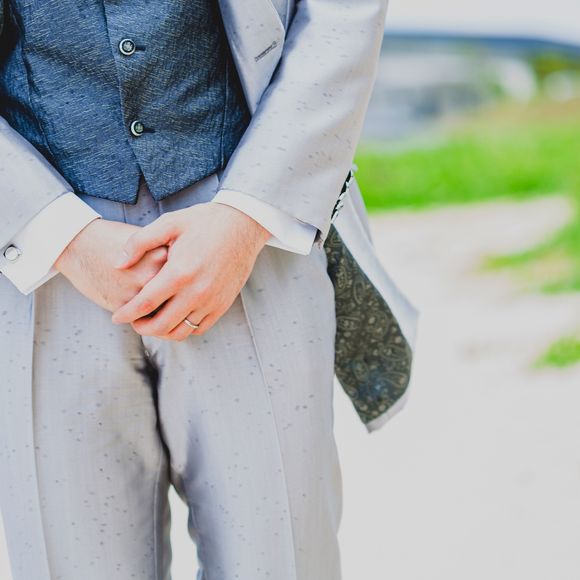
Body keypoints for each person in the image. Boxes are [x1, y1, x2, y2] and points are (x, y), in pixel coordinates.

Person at [0, 1, 418, 578]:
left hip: (245, 219)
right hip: (34, 250)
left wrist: (247, 214)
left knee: (279, 560)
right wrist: (55, 233)